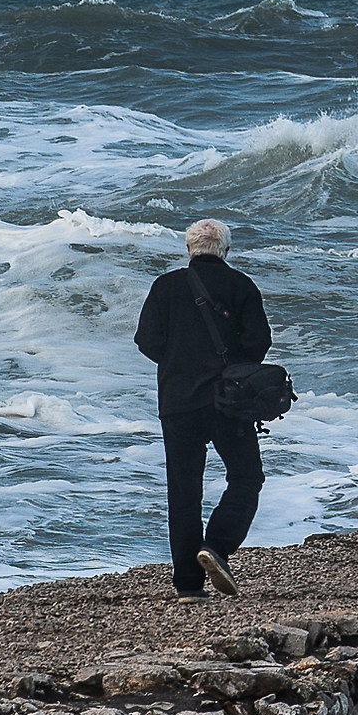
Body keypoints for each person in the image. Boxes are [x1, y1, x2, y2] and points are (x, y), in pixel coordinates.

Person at [133, 218, 272, 601]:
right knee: (246, 477)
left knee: (183, 493)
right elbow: (260, 342)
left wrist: (178, 363)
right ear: (225, 250)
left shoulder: (165, 286)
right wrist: (233, 368)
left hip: (177, 403)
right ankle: (217, 547)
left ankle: (189, 587)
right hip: (229, 402)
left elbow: (146, 340)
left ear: (189, 249)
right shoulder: (241, 285)